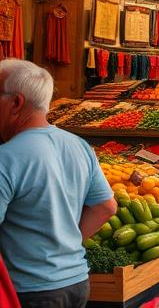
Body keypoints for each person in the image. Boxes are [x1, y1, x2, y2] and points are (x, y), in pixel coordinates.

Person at [0, 59, 117, 308]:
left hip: (28, 289)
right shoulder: (79, 145)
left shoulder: (7, 158)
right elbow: (105, 207)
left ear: (16, 103)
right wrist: (66, 242)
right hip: (76, 282)